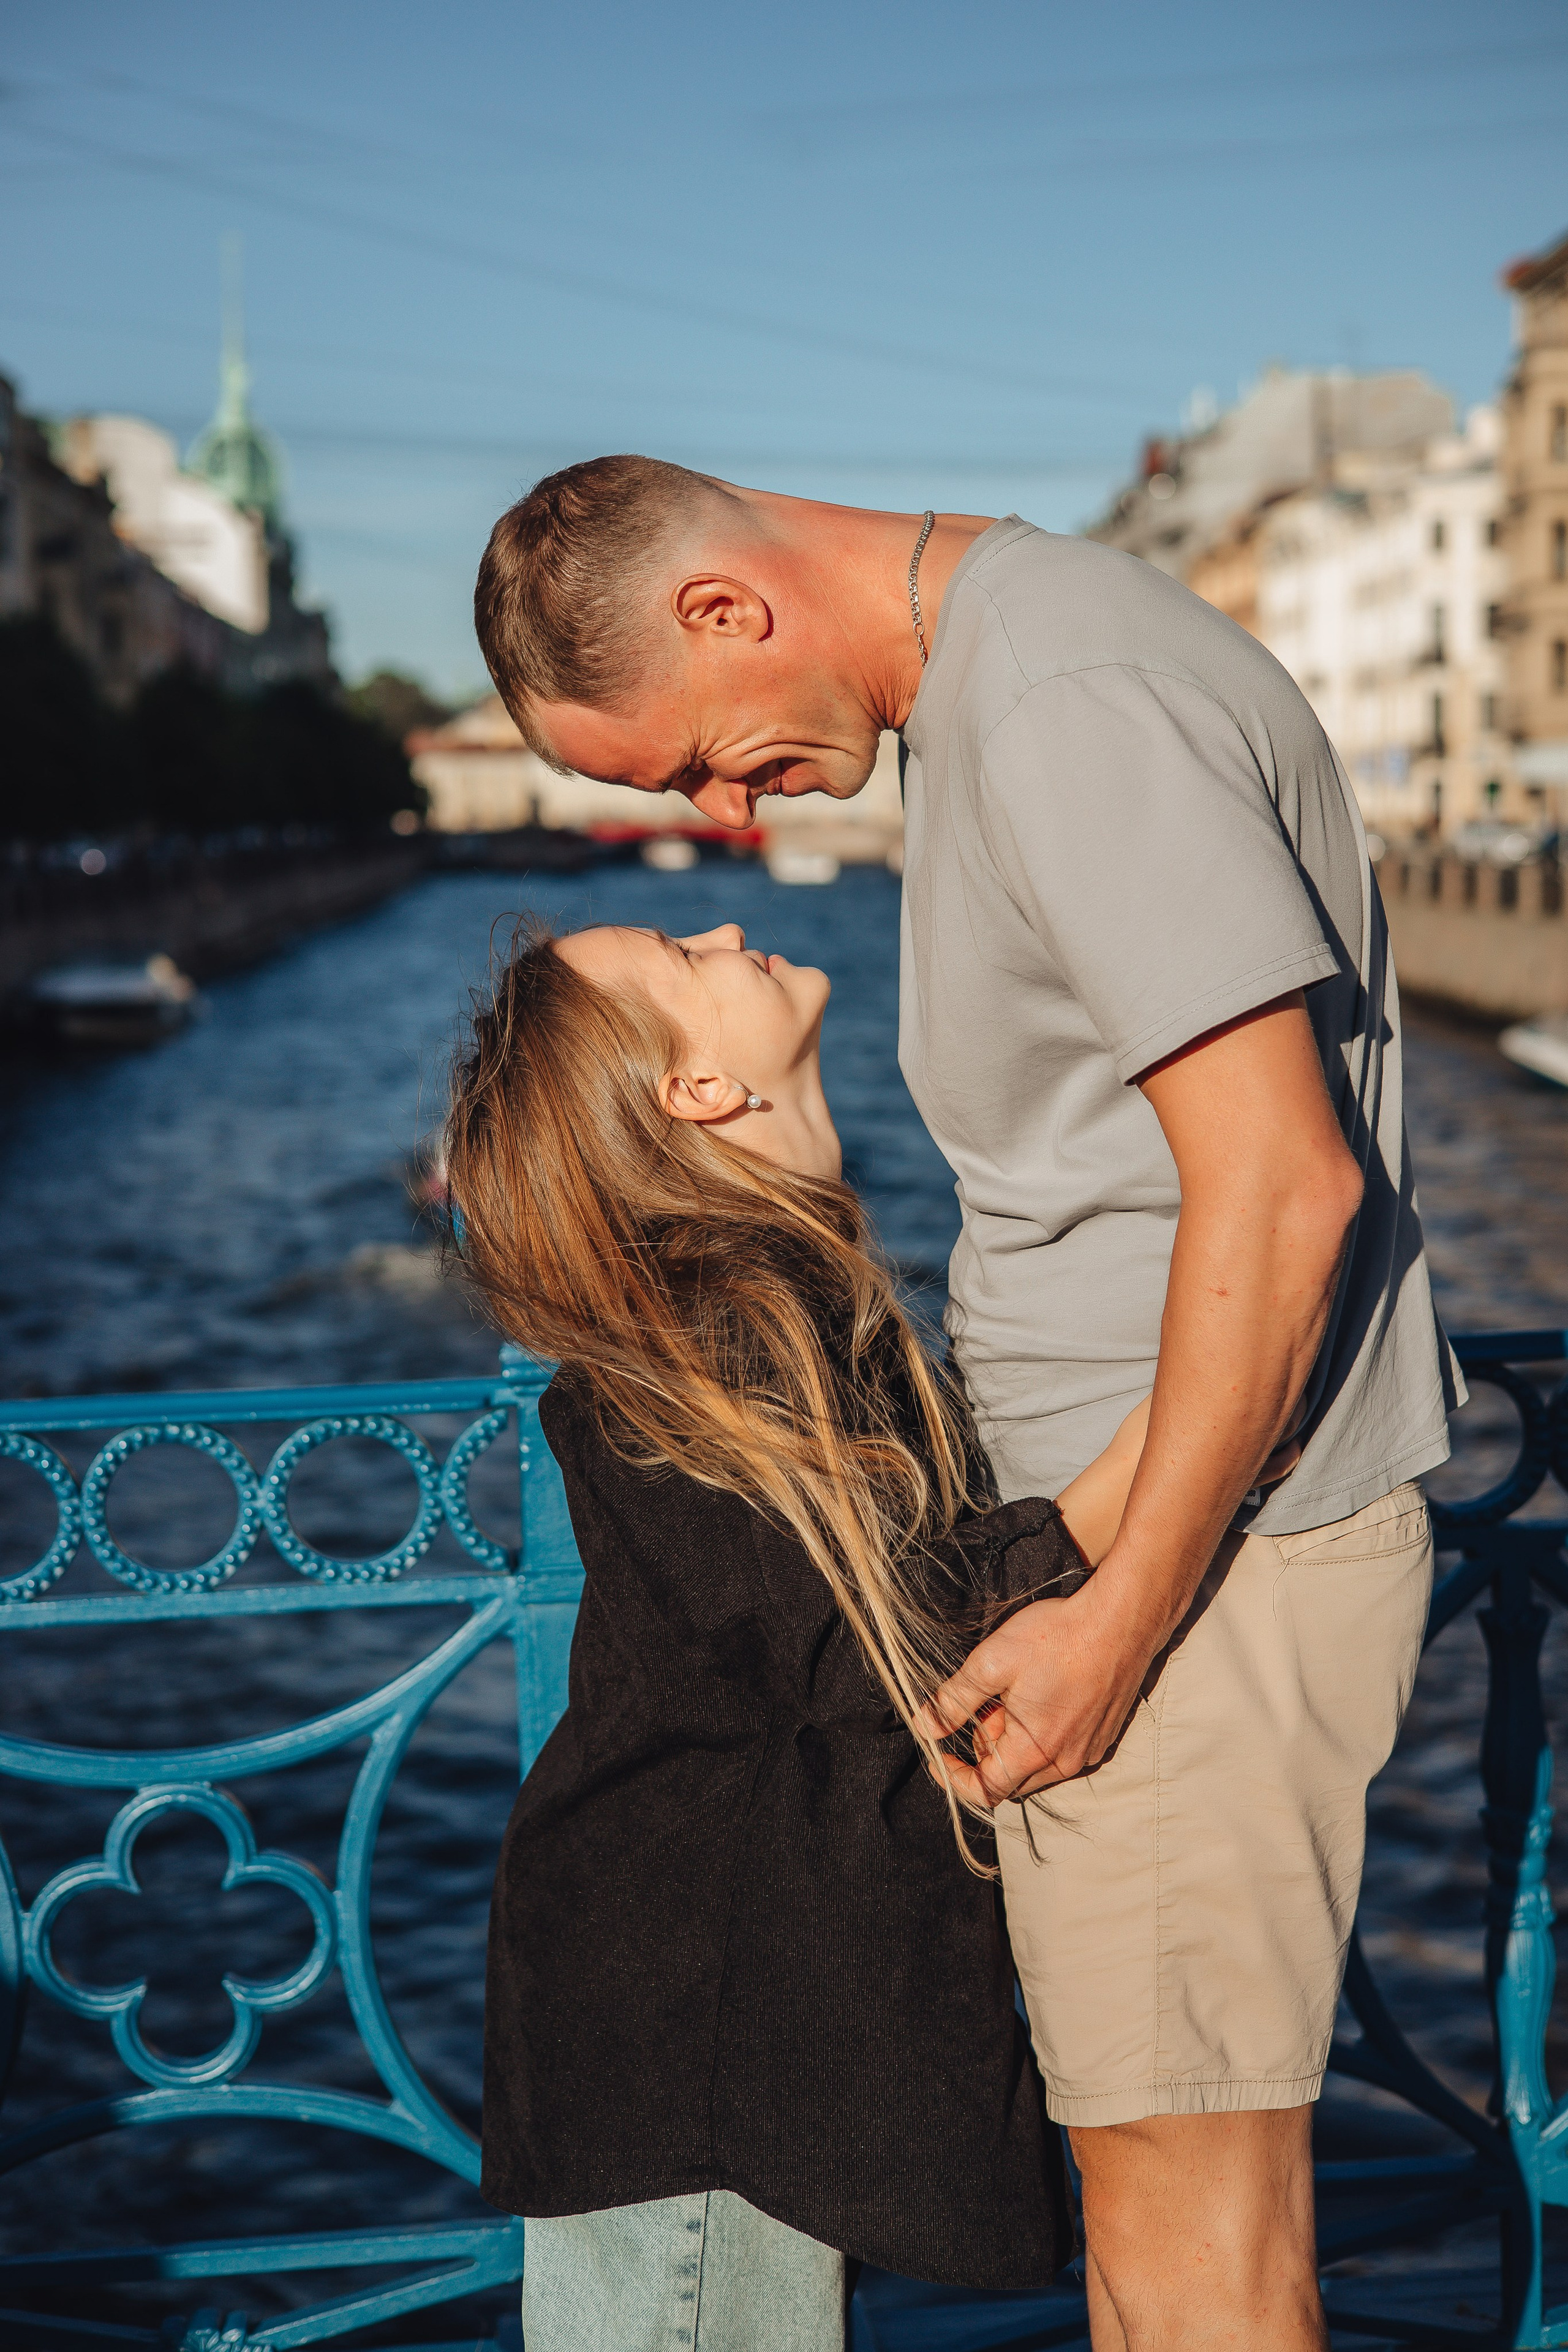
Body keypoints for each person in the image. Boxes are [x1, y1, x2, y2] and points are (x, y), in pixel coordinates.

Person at [468, 460, 1461, 2350]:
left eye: (701, 764)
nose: (728, 824)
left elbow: (1288, 1181)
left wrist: (1116, 1607)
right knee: (1159, 2245)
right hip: (1151, 1559)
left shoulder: (1062, 703)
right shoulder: (1011, 690)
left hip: (1181, 1579)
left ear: (726, 612)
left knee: (1192, 2262)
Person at [444, 916, 1212, 2352]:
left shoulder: (754, 1310)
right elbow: (884, 1631)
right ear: (695, 1093)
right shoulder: (712, 1343)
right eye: (684, 953)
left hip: (700, 2032)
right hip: (688, 2060)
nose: (728, 925)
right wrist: (1193, 1432)